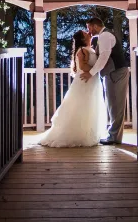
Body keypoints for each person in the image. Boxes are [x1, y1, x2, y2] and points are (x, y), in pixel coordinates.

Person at [36, 29, 108, 148]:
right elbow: (84, 67)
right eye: (85, 33)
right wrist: (97, 67)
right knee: (81, 106)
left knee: (90, 106)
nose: (88, 33)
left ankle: (88, 132)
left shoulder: (90, 49)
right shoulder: (82, 51)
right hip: (84, 82)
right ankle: (77, 134)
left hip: (92, 82)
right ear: (83, 38)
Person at [80, 17, 130, 145]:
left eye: (89, 27)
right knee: (113, 104)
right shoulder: (103, 36)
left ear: (95, 26)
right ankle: (114, 136)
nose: (88, 30)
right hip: (112, 73)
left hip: (116, 73)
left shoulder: (105, 36)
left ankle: (113, 137)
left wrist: (91, 73)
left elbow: (103, 58)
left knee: (116, 104)